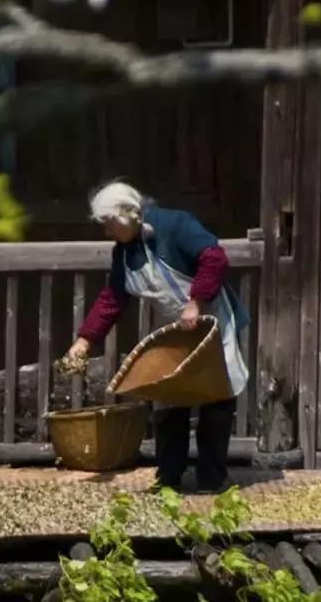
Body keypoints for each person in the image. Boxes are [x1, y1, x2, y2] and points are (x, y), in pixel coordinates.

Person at [62, 181, 249, 493]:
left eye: (109, 225)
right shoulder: (123, 253)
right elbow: (112, 299)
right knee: (170, 398)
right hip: (175, 327)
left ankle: (212, 478)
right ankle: (170, 478)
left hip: (213, 319)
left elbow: (213, 257)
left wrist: (196, 301)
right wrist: (84, 341)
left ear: (126, 216)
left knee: (216, 396)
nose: (108, 232)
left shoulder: (175, 224)